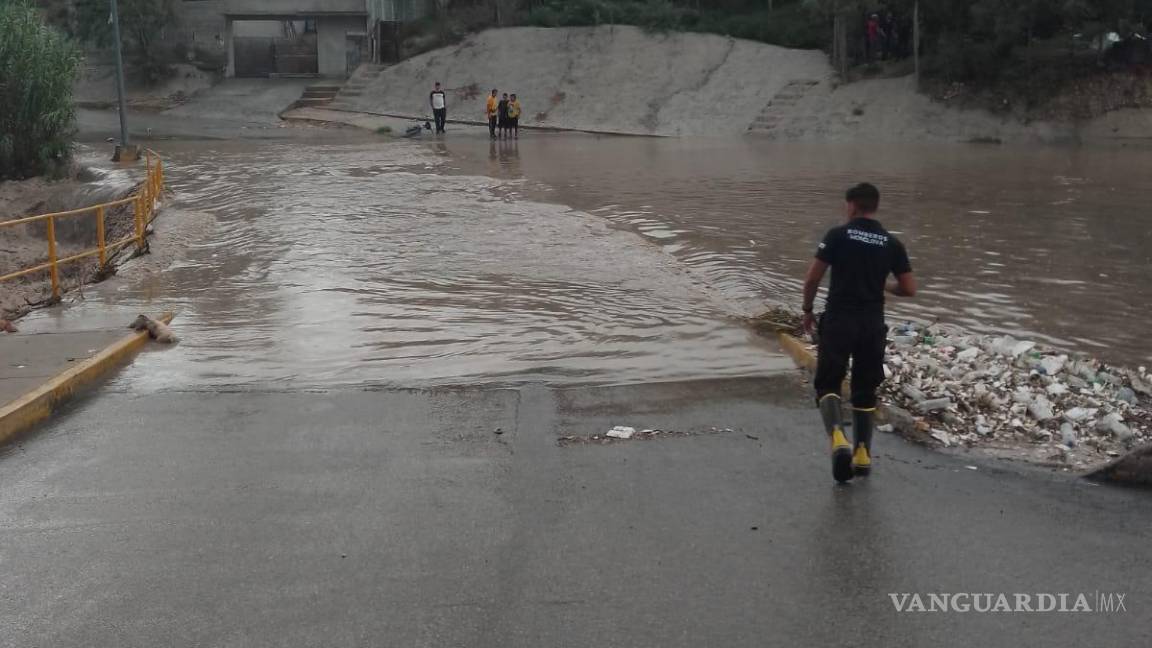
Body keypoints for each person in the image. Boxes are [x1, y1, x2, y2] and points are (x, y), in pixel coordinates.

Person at [801, 183, 916, 483]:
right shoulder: (891, 243)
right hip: (872, 325)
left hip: (840, 321)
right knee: (866, 388)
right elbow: (908, 289)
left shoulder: (838, 235)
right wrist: (882, 285)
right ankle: (862, 454)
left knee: (827, 383)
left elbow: (812, 278)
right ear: (875, 207)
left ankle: (838, 437)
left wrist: (807, 310)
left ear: (851, 205)